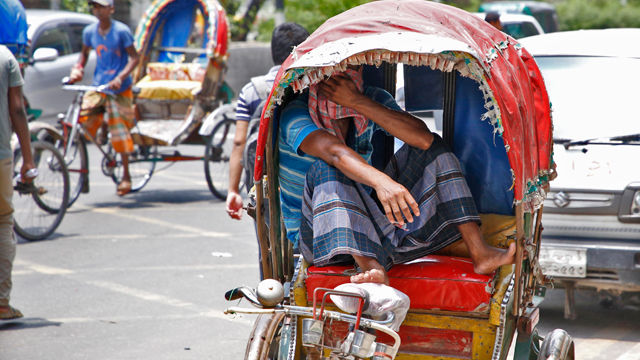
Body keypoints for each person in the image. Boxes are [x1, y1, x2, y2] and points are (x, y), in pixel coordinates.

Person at [279, 67, 516, 285]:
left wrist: (357, 101)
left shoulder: (369, 97)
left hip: (372, 228)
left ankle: (480, 252)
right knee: (328, 168)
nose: (344, 74)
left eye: (353, 66)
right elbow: (335, 154)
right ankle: (373, 268)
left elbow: (422, 138)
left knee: (433, 148)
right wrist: (382, 182)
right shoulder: (296, 113)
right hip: (320, 237)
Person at [226, 23, 309, 279]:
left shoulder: (252, 90)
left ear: (273, 52)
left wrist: (232, 190)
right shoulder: (310, 83)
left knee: (269, 247)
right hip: (303, 181)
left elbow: (240, 142)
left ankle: (271, 299)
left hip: (263, 186)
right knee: (307, 249)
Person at [68, 0, 140, 196]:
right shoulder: (90, 32)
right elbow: (83, 55)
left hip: (119, 89)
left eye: (101, 6)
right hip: (99, 86)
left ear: (111, 9)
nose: (97, 10)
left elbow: (135, 58)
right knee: (78, 118)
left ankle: (126, 175)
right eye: (95, 7)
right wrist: (77, 70)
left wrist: (120, 78)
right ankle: (83, 174)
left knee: (119, 127)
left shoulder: (121, 31)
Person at [0, 45, 36, 320]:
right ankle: (1, 301)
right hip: (1, 157)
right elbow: (17, 109)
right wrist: (29, 159)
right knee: (2, 223)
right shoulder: (5, 57)